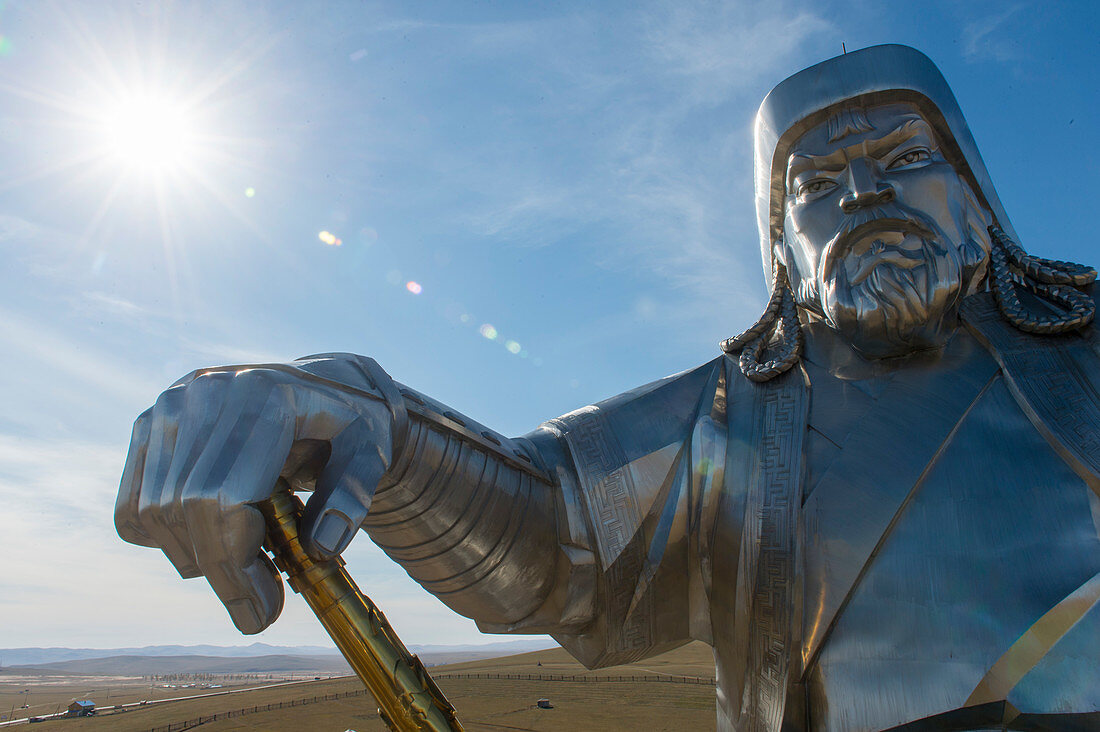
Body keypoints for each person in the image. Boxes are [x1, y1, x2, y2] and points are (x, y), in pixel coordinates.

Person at [115, 45, 1100, 730]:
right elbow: (551, 535)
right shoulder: (729, 422)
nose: (861, 195)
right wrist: (375, 420)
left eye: (902, 157)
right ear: (780, 246)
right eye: (813, 181)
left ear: (975, 190)